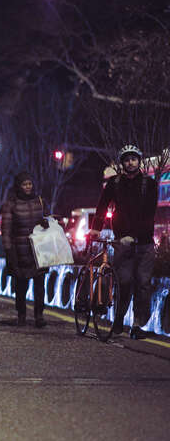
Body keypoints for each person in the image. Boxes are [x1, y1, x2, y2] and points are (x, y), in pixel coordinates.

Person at [90, 144, 158, 339]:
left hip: (144, 243)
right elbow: (102, 205)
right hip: (122, 243)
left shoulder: (149, 184)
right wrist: (96, 227)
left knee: (143, 283)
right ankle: (119, 317)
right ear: (122, 163)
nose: (131, 162)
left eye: (134, 159)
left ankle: (137, 326)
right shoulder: (115, 183)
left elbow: (149, 214)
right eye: (127, 159)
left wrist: (135, 236)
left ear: (139, 161)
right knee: (124, 281)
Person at [1, 171, 50, 328]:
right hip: (20, 250)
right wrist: (8, 250)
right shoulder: (11, 204)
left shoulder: (40, 201)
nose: (28, 187)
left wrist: (45, 223)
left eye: (30, 184)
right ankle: (21, 314)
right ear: (19, 186)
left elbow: (48, 219)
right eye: (24, 184)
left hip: (38, 250)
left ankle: (39, 315)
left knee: (40, 284)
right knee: (21, 285)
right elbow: (6, 230)